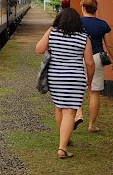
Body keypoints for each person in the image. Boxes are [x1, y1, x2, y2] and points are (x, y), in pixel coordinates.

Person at [36, 8, 94, 159]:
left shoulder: (52, 32)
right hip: (75, 79)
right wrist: (90, 80)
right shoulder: (84, 38)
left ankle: (65, 139)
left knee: (60, 107)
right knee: (70, 111)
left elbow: (39, 49)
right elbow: (89, 63)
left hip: (55, 77)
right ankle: (62, 148)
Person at [75, 0, 113, 132]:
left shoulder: (76, 23)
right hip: (96, 58)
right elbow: (109, 45)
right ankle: (92, 125)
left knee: (77, 89)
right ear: (95, 9)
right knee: (94, 92)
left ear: (83, 8)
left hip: (78, 57)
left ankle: (78, 114)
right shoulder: (102, 24)